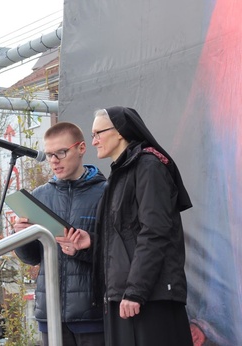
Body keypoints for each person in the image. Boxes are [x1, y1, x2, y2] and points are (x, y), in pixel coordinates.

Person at [68, 106, 194, 346]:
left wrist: (136, 291)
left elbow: (155, 232)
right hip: (126, 298)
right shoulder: (119, 174)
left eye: (98, 133)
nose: (93, 141)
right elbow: (126, 236)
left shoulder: (148, 166)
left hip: (147, 299)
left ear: (120, 132)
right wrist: (92, 243)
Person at [13, 122, 107, 346]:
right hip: (50, 313)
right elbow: (32, 257)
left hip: (93, 315)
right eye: (49, 155)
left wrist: (87, 246)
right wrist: (22, 238)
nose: (54, 160)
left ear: (81, 148)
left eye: (61, 152)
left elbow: (117, 252)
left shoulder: (106, 192)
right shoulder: (39, 196)